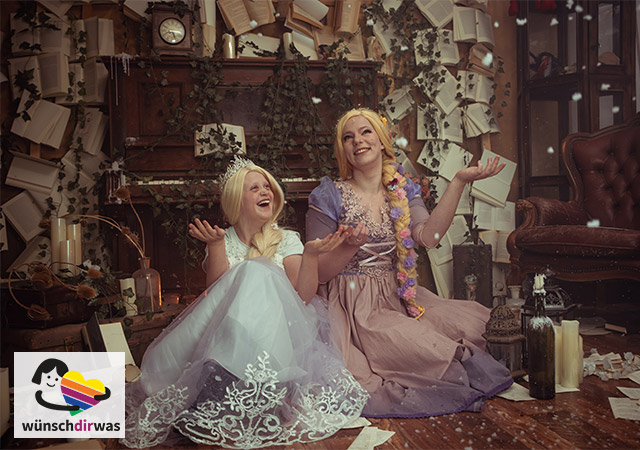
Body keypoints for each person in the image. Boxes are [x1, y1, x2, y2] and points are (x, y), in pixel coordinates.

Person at [121, 157, 368, 449]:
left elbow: (301, 297)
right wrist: (215, 246)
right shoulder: (223, 240)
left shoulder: (287, 239)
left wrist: (311, 256)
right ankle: (217, 389)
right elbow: (215, 297)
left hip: (282, 331)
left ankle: (247, 394)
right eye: (254, 188)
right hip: (226, 332)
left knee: (256, 270)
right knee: (250, 272)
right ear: (236, 201)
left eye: (267, 186)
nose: (265, 192)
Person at [305, 108, 513, 418]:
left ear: (381, 140)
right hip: (352, 305)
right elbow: (318, 273)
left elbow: (429, 237)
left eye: (365, 132)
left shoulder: (401, 190)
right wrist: (348, 247)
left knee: (474, 325)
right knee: (427, 349)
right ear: (342, 149)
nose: (357, 141)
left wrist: (458, 182)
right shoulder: (328, 196)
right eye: (348, 137)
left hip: (398, 295)